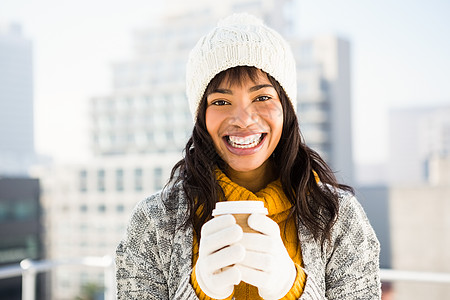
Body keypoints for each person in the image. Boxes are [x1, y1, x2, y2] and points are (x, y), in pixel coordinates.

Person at [116, 13, 381, 299]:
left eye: (262, 97)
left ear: (287, 108)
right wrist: (197, 291)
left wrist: (293, 288)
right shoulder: (155, 220)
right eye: (221, 101)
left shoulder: (337, 216)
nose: (243, 120)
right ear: (201, 117)